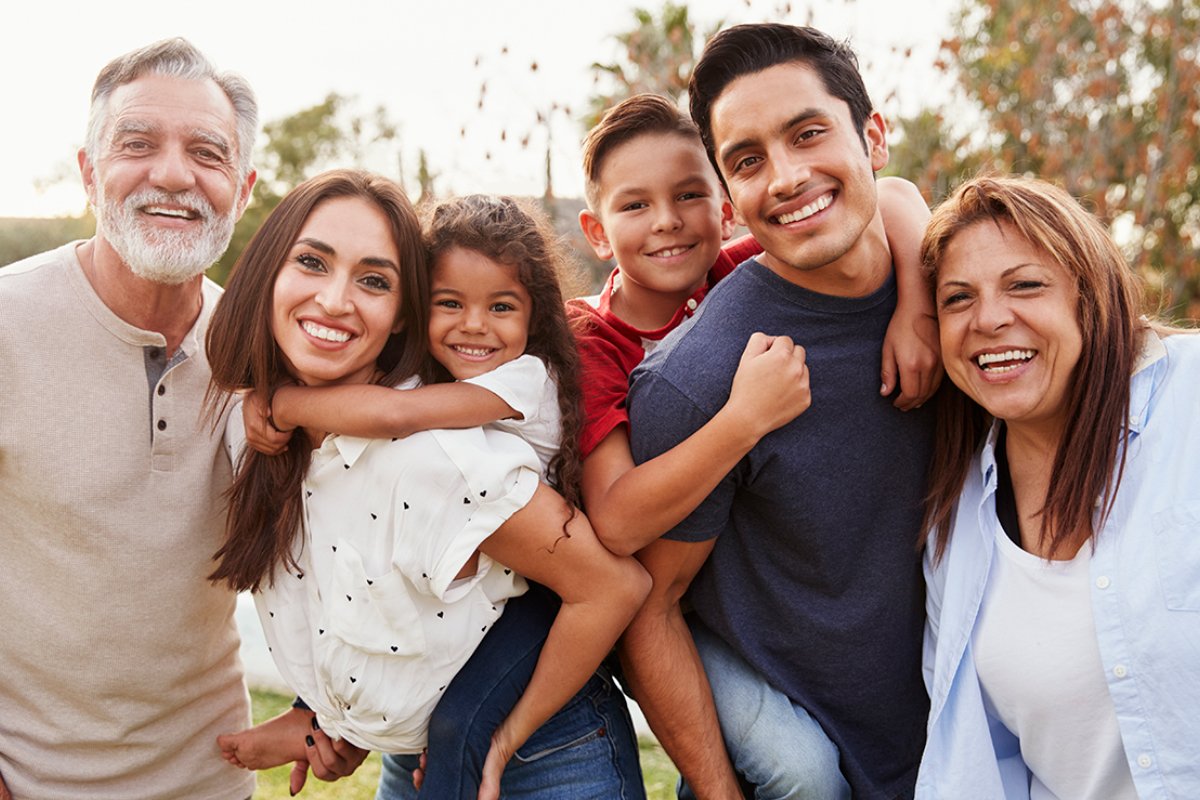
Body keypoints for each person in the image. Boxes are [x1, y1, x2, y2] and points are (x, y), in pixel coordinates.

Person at [206, 174, 650, 800]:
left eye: (373, 279)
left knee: (462, 729)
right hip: (409, 738)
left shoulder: (449, 448)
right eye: (311, 261)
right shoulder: (258, 429)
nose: (335, 300)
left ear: (398, 313)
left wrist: (287, 402)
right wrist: (339, 722)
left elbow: (397, 420)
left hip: (547, 745)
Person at [624, 24, 938, 799]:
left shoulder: (958, 300)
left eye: (808, 134)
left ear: (873, 137)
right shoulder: (701, 383)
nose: (788, 177)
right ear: (730, 194)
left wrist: (925, 305)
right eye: (748, 160)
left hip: (962, 752)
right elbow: (650, 609)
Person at [0, 38, 266, 800]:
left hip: (213, 780)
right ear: (90, 174)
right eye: (138, 144)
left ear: (242, 190)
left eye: (207, 154)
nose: (174, 175)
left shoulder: (262, 353)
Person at [917, 175, 1200, 798]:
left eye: (1025, 285)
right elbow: (987, 765)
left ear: (1088, 296)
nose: (990, 319)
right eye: (957, 299)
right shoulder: (953, 532)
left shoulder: (1192, 398)